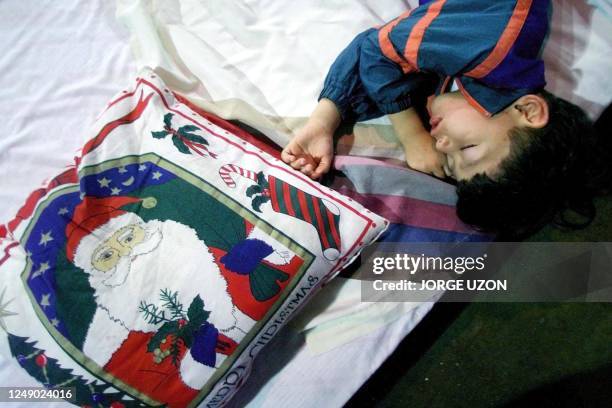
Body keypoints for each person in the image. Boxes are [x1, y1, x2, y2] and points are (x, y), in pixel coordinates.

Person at [281, 0, 607, 238]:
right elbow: (378, 49)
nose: (440, 144)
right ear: (528, 111)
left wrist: (324, 122)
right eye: (468, 149)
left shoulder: (472, 92)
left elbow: (370, 48)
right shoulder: (490, 49)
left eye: (448, 160)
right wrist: (411, 134)